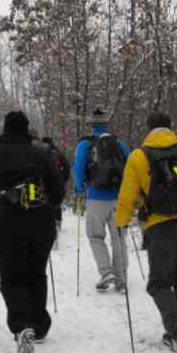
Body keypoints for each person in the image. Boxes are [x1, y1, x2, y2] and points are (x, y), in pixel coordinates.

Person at [0, 111, 65, 353]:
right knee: (36, 273)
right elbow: (59, 191)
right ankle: (39, 325)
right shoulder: (40, 153)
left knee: (11, 276)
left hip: (7, 222)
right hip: (41, 221)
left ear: (5, 128)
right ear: (27, 129)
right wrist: (49, 206)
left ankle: (22, 326)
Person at [114, 112, 177, 353]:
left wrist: (121, 223)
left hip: (160, 228)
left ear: (148, 129)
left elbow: (127, 197)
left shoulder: (138, 157)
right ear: (171, 128)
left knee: (159, 283)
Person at [72, 108, 130, 292]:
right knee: (119, 238)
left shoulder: (85, 144)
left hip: (96, 197)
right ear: (106, 124)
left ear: (91, 124)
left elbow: (78, 168)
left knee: (95, 236)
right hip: (118, 198)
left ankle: (106, 272)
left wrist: (79, 189)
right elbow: (130, 166)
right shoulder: (119, 144)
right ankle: (121, 280)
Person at [41, 136, 71, 228]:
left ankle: (46, 222)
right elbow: (67, 166)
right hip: (57, 182)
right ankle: (57, 223)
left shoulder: (40, 152)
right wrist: (63, 179)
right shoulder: (58, 152)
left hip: (44, 182)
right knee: (56, 203)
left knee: (44, 202)